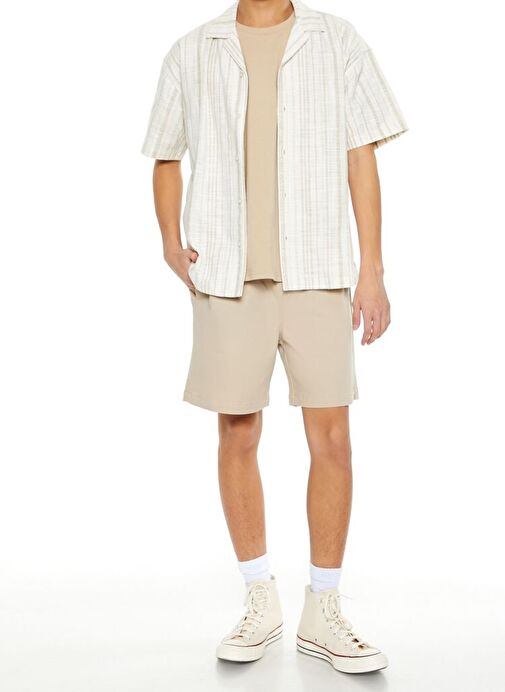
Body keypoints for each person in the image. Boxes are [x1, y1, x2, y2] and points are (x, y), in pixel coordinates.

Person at [141, 0, 407, 675]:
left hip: (317, 268)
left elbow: (360, 156)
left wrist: (371, 269)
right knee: (237, 432)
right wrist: (170, 241)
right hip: (228, 272)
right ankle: (259, 598)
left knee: (333, 438)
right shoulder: (192, 49)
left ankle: (324, 608)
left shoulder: (336, 40)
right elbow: (165, 153)